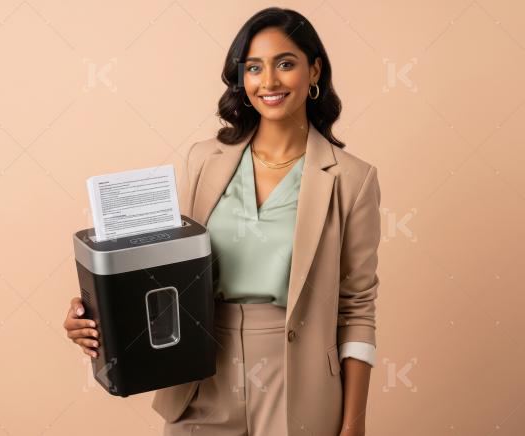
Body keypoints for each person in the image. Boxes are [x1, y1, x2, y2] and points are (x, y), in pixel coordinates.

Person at [64, 7, 381, 436]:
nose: (268, 82)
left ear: (314, 71)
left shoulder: (353, 179)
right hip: (201, 371)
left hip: (297, 382)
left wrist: (354, 425)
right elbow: (166, 271)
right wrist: (96, 311)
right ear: (241, 78)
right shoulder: (203, 160)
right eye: (253, 68)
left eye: (285, 64)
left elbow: (357, 307)